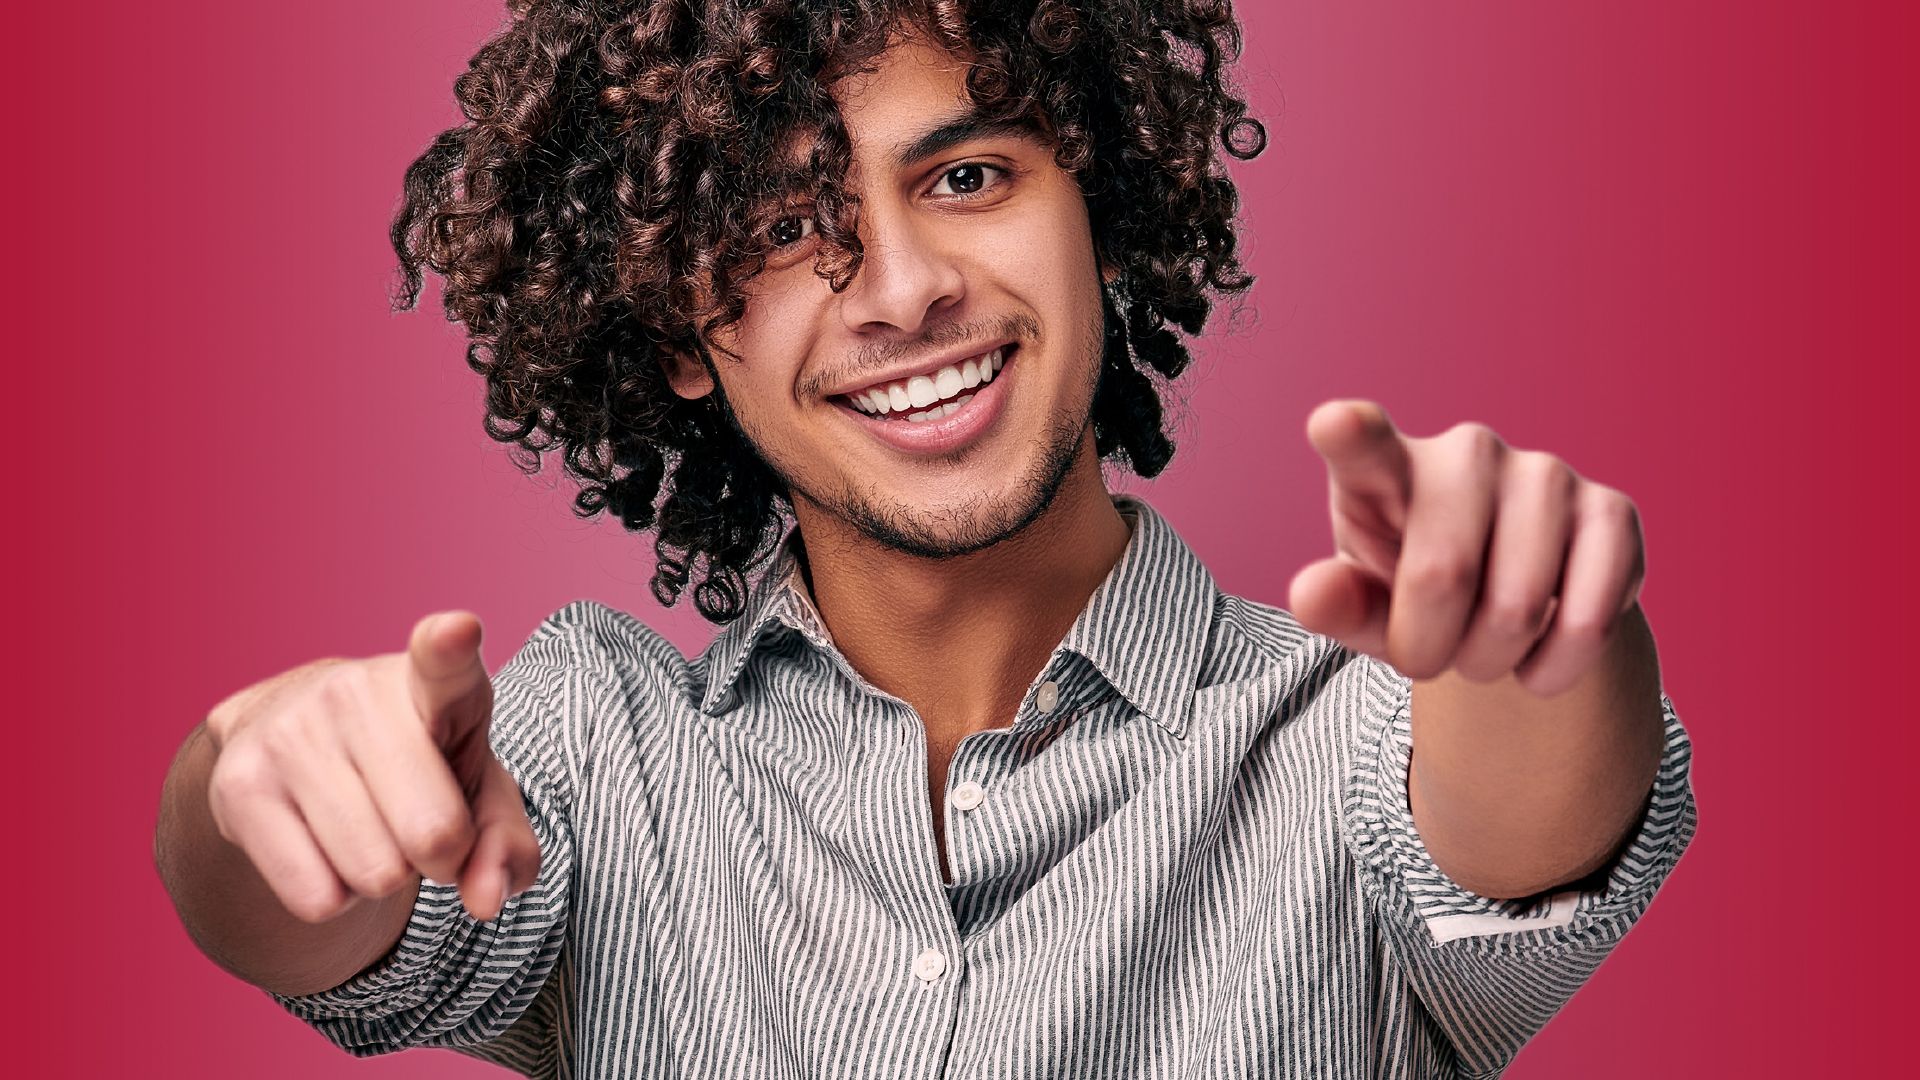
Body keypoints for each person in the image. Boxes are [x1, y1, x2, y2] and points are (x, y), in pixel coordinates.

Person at [154, 2, 1697, 1077]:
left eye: (967, 177)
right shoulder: (595, 756)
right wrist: (254, 776)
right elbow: (291, 913)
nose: (899, 289)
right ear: (683, 335)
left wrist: (1539, 638)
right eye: (778, 223)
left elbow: (1517, 824)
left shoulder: (1340, 736)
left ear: (1095, 204)